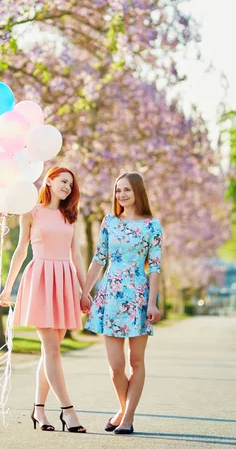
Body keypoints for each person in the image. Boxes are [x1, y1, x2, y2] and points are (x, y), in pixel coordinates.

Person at [0, 166, 89, 433]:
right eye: (63, 181)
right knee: (51, 349)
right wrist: (7, 288)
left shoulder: (70, 215)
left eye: (71, 185)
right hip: (40, 279)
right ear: (48, 181)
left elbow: (78, 256)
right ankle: (68, 411)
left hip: (64, 280)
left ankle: (38, 411)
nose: (67, 187)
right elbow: (20, 250)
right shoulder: (31, 211)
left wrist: (85, 290)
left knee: (50, 350)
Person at [81, 172, 163, 435]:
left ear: (138, 191)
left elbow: (155, 267)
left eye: (126, 190)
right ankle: (122, 409)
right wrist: (86, 290)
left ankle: (127, 418)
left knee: (136, 361)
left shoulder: (152, 226)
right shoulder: (109, 222)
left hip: (138, 296)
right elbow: (99, 259)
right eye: (118, 191)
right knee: (116, 367)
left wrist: (152, 303)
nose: (121, 195)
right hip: (111, 297)